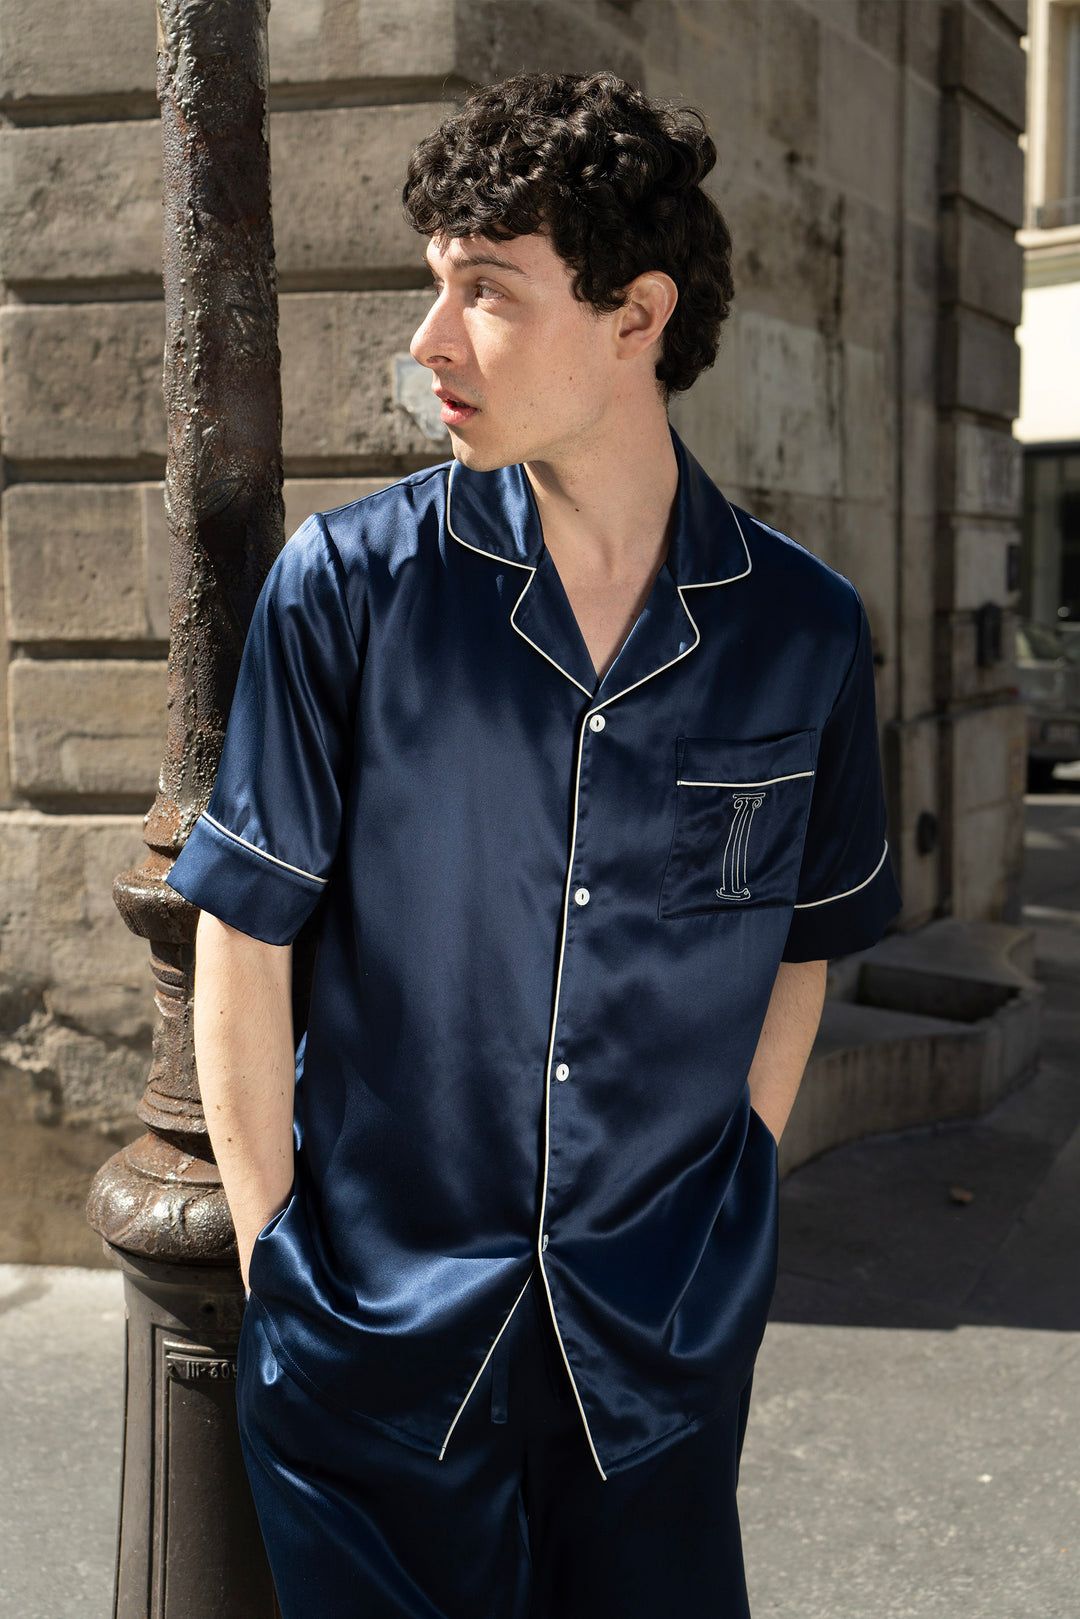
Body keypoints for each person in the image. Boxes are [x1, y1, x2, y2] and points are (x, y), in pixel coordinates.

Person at [166, 69, 902, 1619]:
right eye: (435, 285)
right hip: (374, 1343)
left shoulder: (804, 631)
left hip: (655, 1354)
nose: (430, 340)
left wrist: (725, 1207)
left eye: (487, 290)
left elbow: (803, 944)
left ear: (637, 318)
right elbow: (245, 927)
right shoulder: (348, 590)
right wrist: (275, 1260)